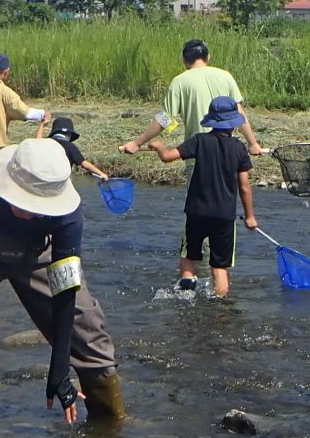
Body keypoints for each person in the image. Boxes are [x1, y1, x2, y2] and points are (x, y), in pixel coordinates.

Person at [0, 137, 125, 431]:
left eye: (38, 207)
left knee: (87, 332)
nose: (29, 213)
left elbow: (65, 288)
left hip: (38, 255)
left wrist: (59, 366)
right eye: (22, 202)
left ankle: (110, 434)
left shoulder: (68, 216)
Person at [148, 95, 259, 297]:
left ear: (212, 120)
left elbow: (167, 157)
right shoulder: (239, 148)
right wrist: (250, 216)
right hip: (224, 216)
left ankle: (186, 294)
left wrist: (158, 146)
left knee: (188, 256)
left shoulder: (200, 141)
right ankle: (221, 309)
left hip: (196, 212)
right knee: (219, 267)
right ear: (233, 123)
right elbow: (244, 187)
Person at [120, 39, 265, 157]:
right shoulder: (226, 76)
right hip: (226, 153)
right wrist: (252, 144)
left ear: (184, 60)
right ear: (208, 57)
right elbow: (239, 114)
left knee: (197, 194)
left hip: (197, 154)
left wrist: (136, 143)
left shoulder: (179, 82)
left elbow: (165, 119)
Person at [48, 115, 113, 181]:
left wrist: (42, 125)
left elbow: (38, 142)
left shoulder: (45, 142)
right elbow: (85, 164)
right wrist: (101, 174)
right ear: (69, 134)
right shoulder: (70, 146)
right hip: (59, 183)